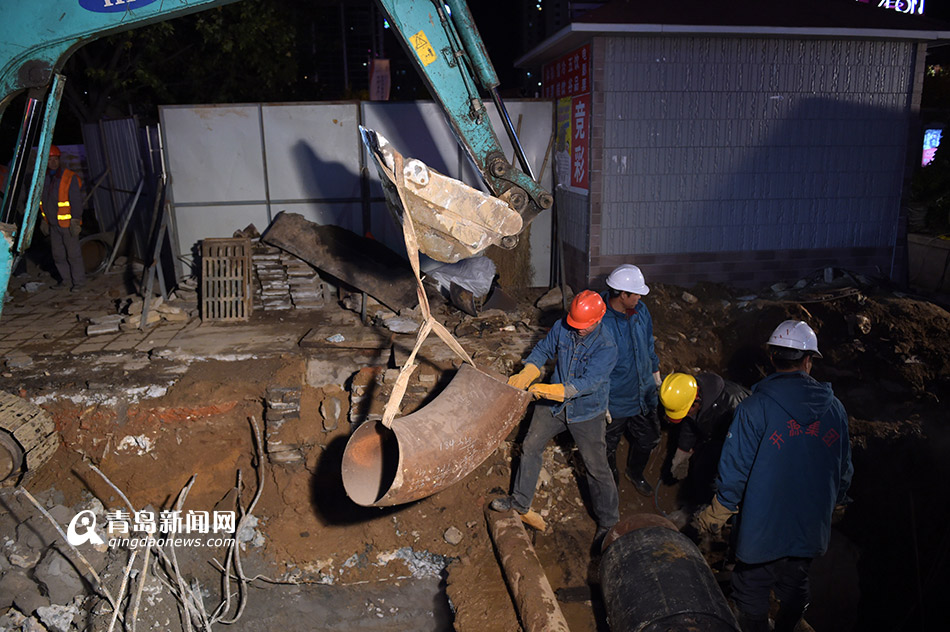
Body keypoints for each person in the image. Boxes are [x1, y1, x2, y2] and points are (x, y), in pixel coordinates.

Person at [696, 320, 853, 632]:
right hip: (810, 524)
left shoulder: (754, 409)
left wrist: (718, 511)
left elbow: (736, 467)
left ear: (772, 359)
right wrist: (837, 503)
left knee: (751, 589)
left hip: (762, 525)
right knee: (796, 583)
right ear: (809, 360)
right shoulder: (835, 409)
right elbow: (843, 466)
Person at [491, 290, 619, 545]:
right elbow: (543, 349)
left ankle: (609, 523)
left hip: (586, 410)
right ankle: (519, 502)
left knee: (596, 468)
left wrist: (553, 390)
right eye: (576, 324)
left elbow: (589, 382)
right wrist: (529, 370)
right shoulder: (564, 326)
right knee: (529, 446)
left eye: (585, 326)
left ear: (598, 320)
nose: (579, 330)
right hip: (553, 406)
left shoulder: (607, 346)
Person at [599, 264, 661, 496]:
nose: (639, 297)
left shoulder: (641, 310)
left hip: (643, 395)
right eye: (635, 294)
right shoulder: (600, 321)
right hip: (615, 400)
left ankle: (635, 473)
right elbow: (594, 365)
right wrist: (600, 401)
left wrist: (654, 372)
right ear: (622, 294)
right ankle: (611, 485)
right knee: (607, 447)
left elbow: (648, 343)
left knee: (649, 438)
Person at [659, 371, 750, 483]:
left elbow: (745, 449)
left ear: (696, 401)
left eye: (686, 412)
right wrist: (683, 451)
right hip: (716, 437)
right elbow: (690, 421)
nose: (686, 415)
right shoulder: (690, 395)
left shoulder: (733, 408)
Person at [39, 145, 85, 290]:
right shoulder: (43, 179)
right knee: (58, 255)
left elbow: (76, 201)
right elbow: (42, 201)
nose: (53, 162)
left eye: (55, 159)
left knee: (73, 255)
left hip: (67, 224)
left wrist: (76, 220)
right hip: (53, 225)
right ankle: (66, 281)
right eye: (50, 159)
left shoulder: (68, 177)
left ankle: (78, 283)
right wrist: (44, 220)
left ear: (59, 160)